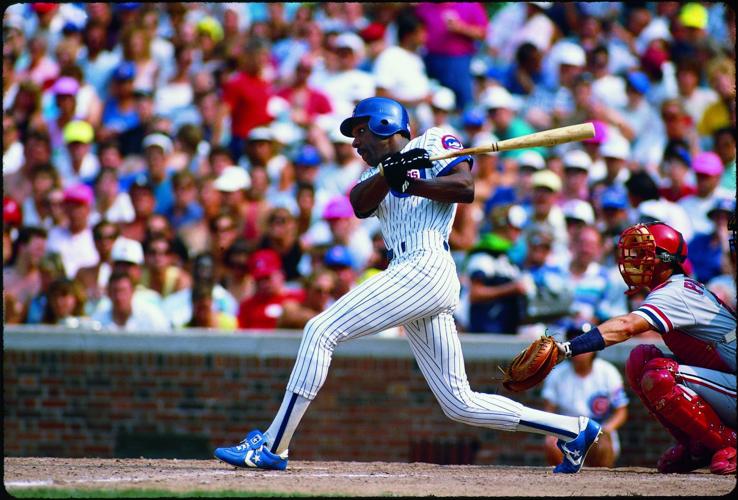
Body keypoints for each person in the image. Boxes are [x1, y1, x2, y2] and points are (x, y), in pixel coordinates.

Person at [214, 97, 601, 473]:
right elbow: (359, 204)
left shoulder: (433, 141)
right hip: (409, 273)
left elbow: (464, 188)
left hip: (427, 262)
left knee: (319, 330)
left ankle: (272, 444)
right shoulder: (372, 173)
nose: (354, 142)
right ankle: (574, 429)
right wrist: (391, 172)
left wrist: (414, 181)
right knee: (459, 403)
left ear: (384, 125)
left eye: (361, 131)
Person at [548, 221, 736, 475]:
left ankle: (728, 443)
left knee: (659, 373)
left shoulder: (674, 291)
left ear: (664, 259)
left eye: (642, 253)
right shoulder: (674, 288)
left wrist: (568, 348)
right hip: (725, 380)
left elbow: (626, 326)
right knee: (641, 359)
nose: (633, 260)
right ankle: (696, 445)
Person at [542, 323, 629, 468]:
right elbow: (549, 410)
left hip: (598, 431)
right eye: (575, 342)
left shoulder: (608, 372)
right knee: (551, 443)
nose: (580, 348)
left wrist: (606, 430)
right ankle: (560, 486)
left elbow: (621, 411)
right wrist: (551, 432)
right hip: (567, 432)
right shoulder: (556, 374)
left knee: (602, 446)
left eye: (584, 342)